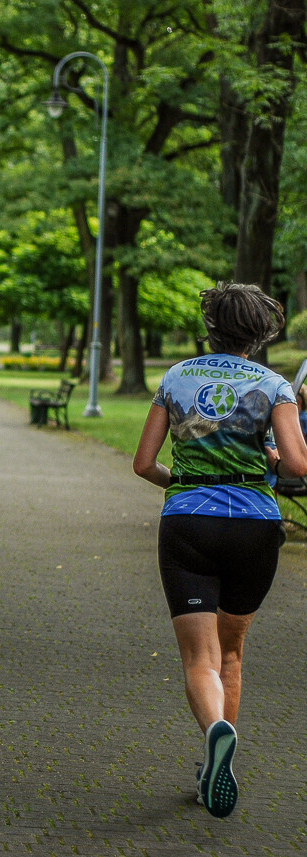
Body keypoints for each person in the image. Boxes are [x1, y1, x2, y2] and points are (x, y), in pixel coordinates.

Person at [132, 282, 307, 818]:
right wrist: (276, 445)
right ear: (260, 333)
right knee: (230, 654)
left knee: (199, 658)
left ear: (211, 327)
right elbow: (297, 467)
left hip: (187, 525)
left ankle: (214, 733)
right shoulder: (273, 385)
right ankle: (219, 757)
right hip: (254, 527)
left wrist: (183, 486)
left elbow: (144, 463)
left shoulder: (176, 377)